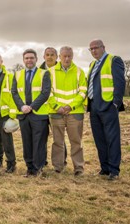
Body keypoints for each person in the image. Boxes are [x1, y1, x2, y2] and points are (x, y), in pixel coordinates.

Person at [86, 39, 125, 180]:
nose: (94, 50)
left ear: (103, 47)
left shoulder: (114, 60)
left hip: (108, 106)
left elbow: (120, 83)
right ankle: (105, 168)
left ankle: (114, 170)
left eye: (96, 47)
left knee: (112, 139)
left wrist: (115, 103)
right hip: (94, 106)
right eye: (91, 49)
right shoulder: (92, 64)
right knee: (99, 139)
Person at [47, 46, 87, 176]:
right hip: (56, 112)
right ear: (59, 57)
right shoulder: (50, 72)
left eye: (69, 56)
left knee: (76, 142)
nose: (67, 58)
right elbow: (47, 92)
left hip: (74, 113)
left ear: (73, 56)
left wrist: (70, 106)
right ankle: (58, 167)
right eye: (64, 56)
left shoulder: (79, 72)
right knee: (57, 142)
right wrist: (57, 107)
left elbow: (83, 92)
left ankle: (79, 168)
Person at [11, 49, 51, 177]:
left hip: (39, 114)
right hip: (23, 114)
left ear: (36, 59)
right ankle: (29, 168)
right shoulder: (17, 75)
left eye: (31, 58)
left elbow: (45, 92)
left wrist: (32, 107)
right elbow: (14, 92)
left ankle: (38, 168)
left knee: (39, 142)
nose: (29, 60)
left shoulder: (44, 73)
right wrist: (22, 106)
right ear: (23, 60)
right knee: (26, 142)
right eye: (27, 58)